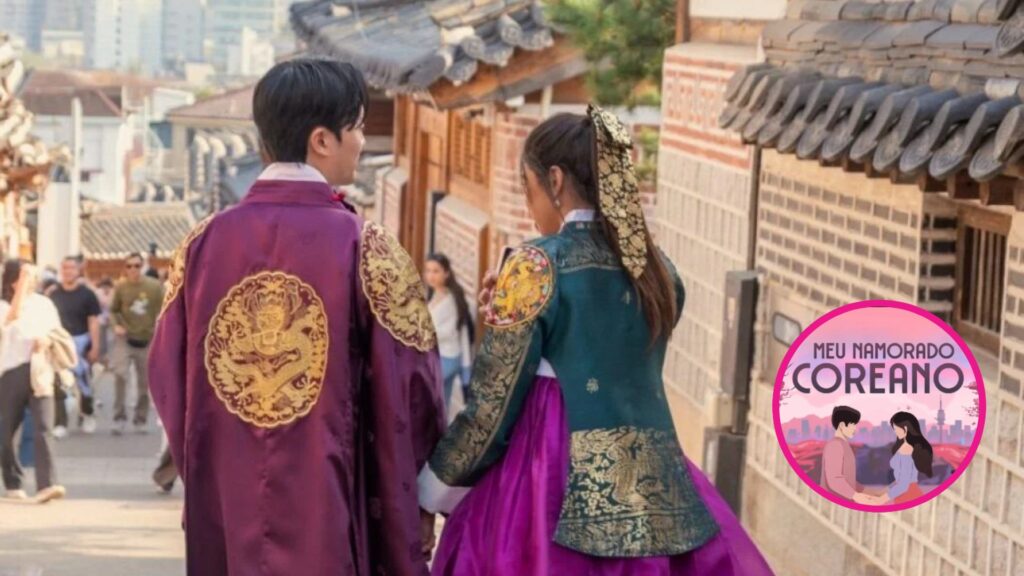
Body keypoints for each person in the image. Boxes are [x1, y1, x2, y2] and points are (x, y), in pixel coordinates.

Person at [426, 107, 775, 575]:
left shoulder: (535, 264)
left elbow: (492, 404)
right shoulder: (658, 269)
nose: (529, 206)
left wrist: (434, 485)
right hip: (650, 482)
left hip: (551, 469)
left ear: (554, 180)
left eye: (528, 188)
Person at [148, 59, 445, 575]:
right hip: (328, 500)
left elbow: (167, 376)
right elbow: (411, 387)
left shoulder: (201, 246)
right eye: (357, 127)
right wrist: (412, 496)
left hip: (230, 501)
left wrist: (209, 464)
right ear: (322, 140)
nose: (361, 142)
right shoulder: (366, 246)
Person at [0, 261, 67, 503]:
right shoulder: (4, 305)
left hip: (40, 369)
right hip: (11, 371)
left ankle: (46, 485)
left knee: (44, 427)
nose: (32, 280)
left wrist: (47, 341)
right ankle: (13, 481)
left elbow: (56, 331)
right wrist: (21, 287)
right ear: (12, 279)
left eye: (33, 275)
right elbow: (11, 319)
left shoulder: (44, 304)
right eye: (26, 275)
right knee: (6, 432)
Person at [109, 252, 164, 435]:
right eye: (129, 266)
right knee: (120, 375)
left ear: (143, 267)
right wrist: (116, 325)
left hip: (147, 339)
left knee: (144, 382)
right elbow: (112, 310)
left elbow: (165, 309)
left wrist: (160, 328)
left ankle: (140, 418)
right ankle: (119, 418)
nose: (133, 269)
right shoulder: (120, 287)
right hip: (125, 338)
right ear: (125, 268)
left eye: (137, 266)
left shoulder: (154, 287)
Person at [49, 256, 101, 436]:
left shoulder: (87, 294)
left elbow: (93, 321)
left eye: (71, 268)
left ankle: (87, 415)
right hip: (60, 344)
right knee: (58, 384)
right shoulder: (54, 294)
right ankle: (60, 423)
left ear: (78, 271)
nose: (68, 271)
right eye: (65, 268)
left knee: (84, 383)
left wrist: (95, 346)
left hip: (82, 342)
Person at [424, 253, 474, 412]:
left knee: (431, 403)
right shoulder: (436, 294)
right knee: (441, 404)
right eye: (428, 270)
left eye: (436, 271)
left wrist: (422, 331)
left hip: (446, 358)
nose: (431, 276)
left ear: (446, 273)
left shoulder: (450, 300)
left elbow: (449, 332)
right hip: (441, 356)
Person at [870, 411, 933, 505]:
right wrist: (881, 493)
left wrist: (881, 500)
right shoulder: (905, 446)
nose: (895, 432)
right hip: (905, 493)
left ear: (905, 428)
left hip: (908, 495)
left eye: (896, 428)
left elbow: (903, 485)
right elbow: (899, 481)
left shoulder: (907, 449)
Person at [819, 405, 876, 505]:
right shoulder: (835, 446)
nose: (855, 428)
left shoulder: (844, 445)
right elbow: (834, 480)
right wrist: (856, 496)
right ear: (842, 425)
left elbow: (848, 480)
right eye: (852, 424)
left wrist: (867, 491)